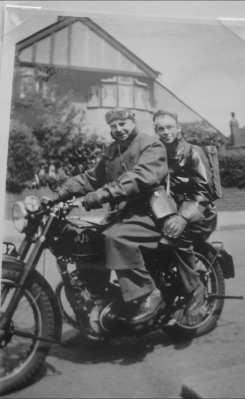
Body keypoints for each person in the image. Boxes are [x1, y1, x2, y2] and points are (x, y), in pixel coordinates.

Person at [53, 109, 168, 324]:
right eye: (114, 126)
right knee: (88, 236)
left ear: (133, 122)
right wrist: (61, 192)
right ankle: (100, 293)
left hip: (149, 213)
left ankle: (148, 293)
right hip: (123, 214)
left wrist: (101, 195)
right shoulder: (112, 151)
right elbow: (91, 177)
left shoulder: (150, 144)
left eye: (123, 124)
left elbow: (140, 178)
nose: (119, 129)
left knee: (115, 237)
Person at [153, 110, 218, 317]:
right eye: (160, 128)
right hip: (168, 213)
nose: (165, 132)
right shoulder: (157, 154)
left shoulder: (193, 151)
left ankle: (195, 289)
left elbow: (204, 192)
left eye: (169, 127)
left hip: (198, 213)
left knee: (173, 235)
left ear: (178, 128)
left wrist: (182, 217)